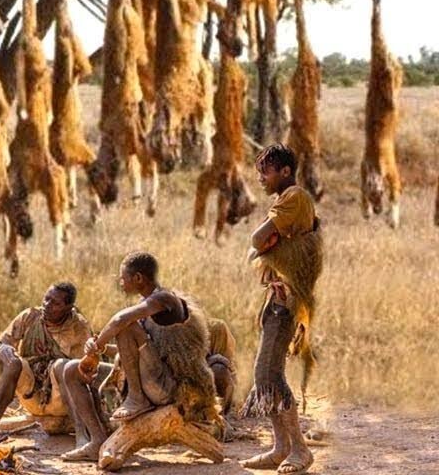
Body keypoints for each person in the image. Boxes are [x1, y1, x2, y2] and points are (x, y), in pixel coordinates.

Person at [57, 252, 222, 462]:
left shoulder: (164, 298)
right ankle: (96, 440)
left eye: (123, 277)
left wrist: (95, 349)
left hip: (171, 388)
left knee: (125, 327)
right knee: (71, 369)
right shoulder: (147, 307)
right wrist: (100, 350)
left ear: (138, 278)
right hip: (152, 380)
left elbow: (120, 320)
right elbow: (135, 354)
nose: (120, 282)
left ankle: (137, 398)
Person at [241, 144, 323, 475]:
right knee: (267, 375)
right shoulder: (285, 201)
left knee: (269, 374)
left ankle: (299, 450)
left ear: (285, 172)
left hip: (286, 304)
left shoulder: (295, 197)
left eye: (266, 171)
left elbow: (258, 239)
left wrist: (264, 245)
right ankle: (280, 448)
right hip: (277, 301)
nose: (261, 178)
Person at [0, 282, 94, 435]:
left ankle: (81, 434)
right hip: (31, 396)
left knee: (62, 365)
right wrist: (1, 348)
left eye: (55, 303)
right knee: (14, 362)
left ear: (69, 308)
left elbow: (84, 372)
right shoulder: (30, 316)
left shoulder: (79, 327)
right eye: (46, 299)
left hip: (61, 401)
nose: (47, 305)